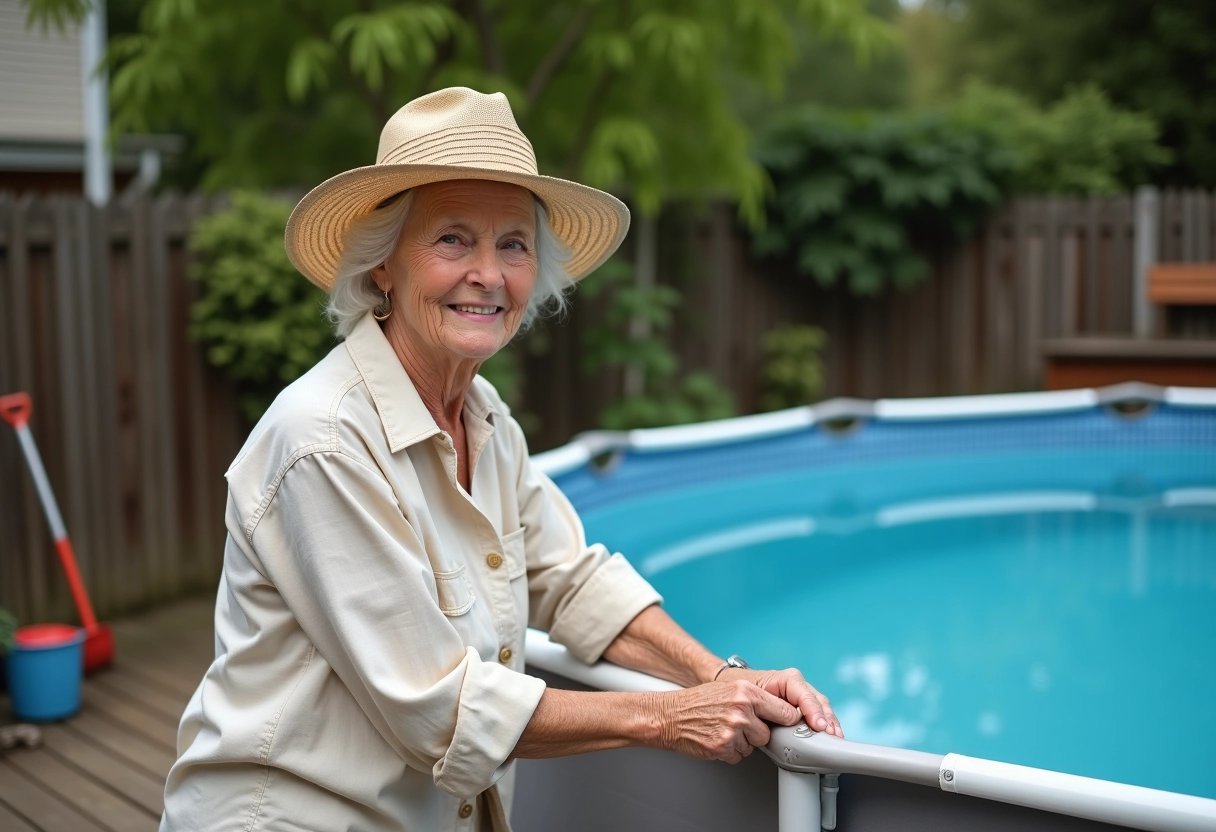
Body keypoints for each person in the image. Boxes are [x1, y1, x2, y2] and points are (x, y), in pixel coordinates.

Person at [161, 87, 842, 832]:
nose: (489, 273)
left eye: (513, 243)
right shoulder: (321, 437)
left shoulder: (486, 420)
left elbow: (575, 583)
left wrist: (725, 676)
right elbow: (436, 709)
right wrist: (671, 716)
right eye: (453, 239)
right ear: (382, 265)